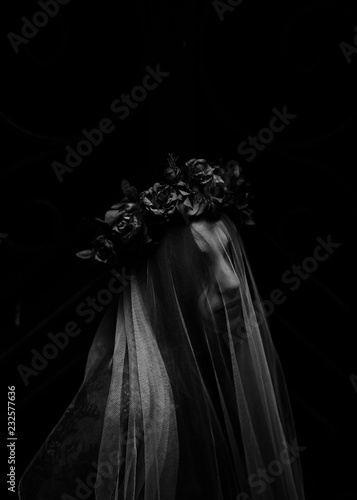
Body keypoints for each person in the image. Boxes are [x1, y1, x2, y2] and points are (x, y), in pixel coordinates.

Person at [18, 157, 306, 500]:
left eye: (229, 255)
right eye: (201, 264)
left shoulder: (232, 362)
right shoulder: (131, 398)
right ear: (166, 286)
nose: (232, 282)